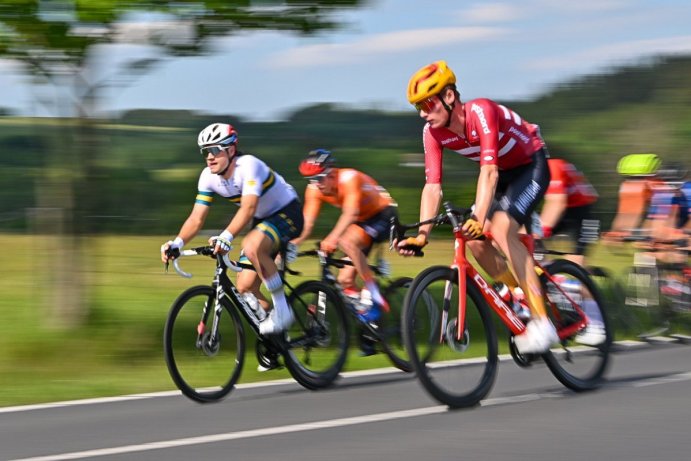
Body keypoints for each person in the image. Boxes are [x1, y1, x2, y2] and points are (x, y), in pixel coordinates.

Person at [399, 60, 562, 354]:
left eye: (427, 103)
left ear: (449, 97)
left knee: (500, 230)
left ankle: (543, 323)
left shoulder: (481, 112)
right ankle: (518, 292)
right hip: (502, 176)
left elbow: (489, 172)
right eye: (417, 107)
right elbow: (432, 186)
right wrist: (422, 234)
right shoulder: (432, 133)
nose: (423, 113)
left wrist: (479, 215)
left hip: (530, 165)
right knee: (473, 240)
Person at [160, 122, 304, 335]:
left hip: (287, 211)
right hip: (262, 220)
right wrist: (177, 243)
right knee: (246, 286)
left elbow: (248, 208)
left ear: (231, 150)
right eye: (206, 151)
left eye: (215, 150)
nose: (210, 157)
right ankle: (275, 342)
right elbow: (196, 218)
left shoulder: (248, 166)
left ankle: (283, 311)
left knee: (252, 245)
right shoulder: (208, 177)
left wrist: (226, 237)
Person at [292, 149, 398, 326]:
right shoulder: (314, 189)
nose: (315, 184)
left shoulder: (349, 178)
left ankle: (372, 290)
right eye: (310, 180)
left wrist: (332, 238)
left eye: (319, 179)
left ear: (332, 173)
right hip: (362, 220)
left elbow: (350, 214)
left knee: (345, 241)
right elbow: (307, 224)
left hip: (383, 213)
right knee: (344, 280)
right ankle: (370, 321)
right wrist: (292, 244)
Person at [539, 158, 600, 266]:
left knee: (576, 258)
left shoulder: (552, 166)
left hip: (583, 211)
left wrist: (541, 231)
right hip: (566, 210)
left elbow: (557, 203)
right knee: (530, 240)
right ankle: (547, 273)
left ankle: (582, 279)